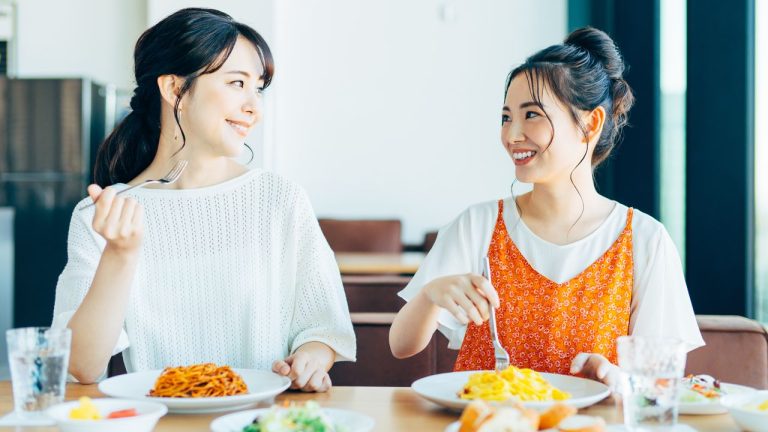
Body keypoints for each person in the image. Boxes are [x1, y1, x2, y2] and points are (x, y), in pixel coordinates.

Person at [52, 8, 355, 392]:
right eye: (236, 83)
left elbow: (324, 326)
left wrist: (311, 357)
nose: (254, 108)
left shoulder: (280, 199)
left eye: (257, 88)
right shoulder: (103, 215)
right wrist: (121, 253)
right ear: (175, 89)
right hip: (160, 419)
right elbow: (82, 365)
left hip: (260, 420)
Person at [389, 27, 703, 386]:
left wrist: (614, 376)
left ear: (590, 123)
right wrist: (431, 294)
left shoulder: (645, 239)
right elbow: (401, 345)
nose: (512, 135)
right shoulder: (478, 225)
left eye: (532, 115)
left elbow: (660, 382)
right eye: (506, 117)